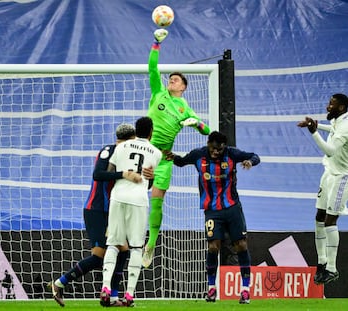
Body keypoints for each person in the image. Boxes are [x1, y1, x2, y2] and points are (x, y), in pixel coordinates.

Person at [48, 123, 153, 307]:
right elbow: (98, 174)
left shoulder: (129, 156)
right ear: (132, 139)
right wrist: (124, 174)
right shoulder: (109, 151)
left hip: (113, 209)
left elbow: (143, 184)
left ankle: (112, 297)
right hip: (97, 209)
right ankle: (59, 284)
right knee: (100, 256)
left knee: (123, 251)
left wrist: (148, 178)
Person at [142, 28, 211, 268]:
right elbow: (152, 68)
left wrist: (198, 123)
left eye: (176, 79)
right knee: (131, 193)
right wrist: (156, 44)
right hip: (143, 152)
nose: (171, 80)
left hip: (164, 158)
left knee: (157, 200)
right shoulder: (159, 92)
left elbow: (208, 131)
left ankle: (150, 244)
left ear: (183, 87)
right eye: (170, 78)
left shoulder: (185, 109)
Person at [166, 131, 260, 304]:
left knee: (241, 245)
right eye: (214, 148)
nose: (217, 152)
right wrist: (172, 156)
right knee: (213, 247)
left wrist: (250, 162)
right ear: (208, 144)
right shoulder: (198, 155)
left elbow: (255, 156)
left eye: (220, 149)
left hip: (232, 208)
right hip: (211, 211)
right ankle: (211, 289)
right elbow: (181, 162)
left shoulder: (232, 153)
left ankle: (246, 290)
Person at [100, 116, 162, 307]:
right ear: (151, 132)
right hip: (138, 200)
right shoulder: (156, 153)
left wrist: (124, 173)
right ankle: (129, 294)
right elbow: (149, 182)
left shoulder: (121, 147)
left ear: (136, 130)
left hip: (118, 196)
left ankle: (105, 287)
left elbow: (109, 172)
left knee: (112, 244)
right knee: (136, 247)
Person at [297, 93, 348, 285]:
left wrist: (314, 132)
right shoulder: (339, 120)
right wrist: (317, 126)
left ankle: (332, 269)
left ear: (341, 108)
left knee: (330, 220)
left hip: (342, 177)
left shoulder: (345, 127)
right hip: (329, 173)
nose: (328, 107)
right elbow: (333, 130)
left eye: (331, 104)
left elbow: (330, 150)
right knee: (319, 217)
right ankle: (322, 262)